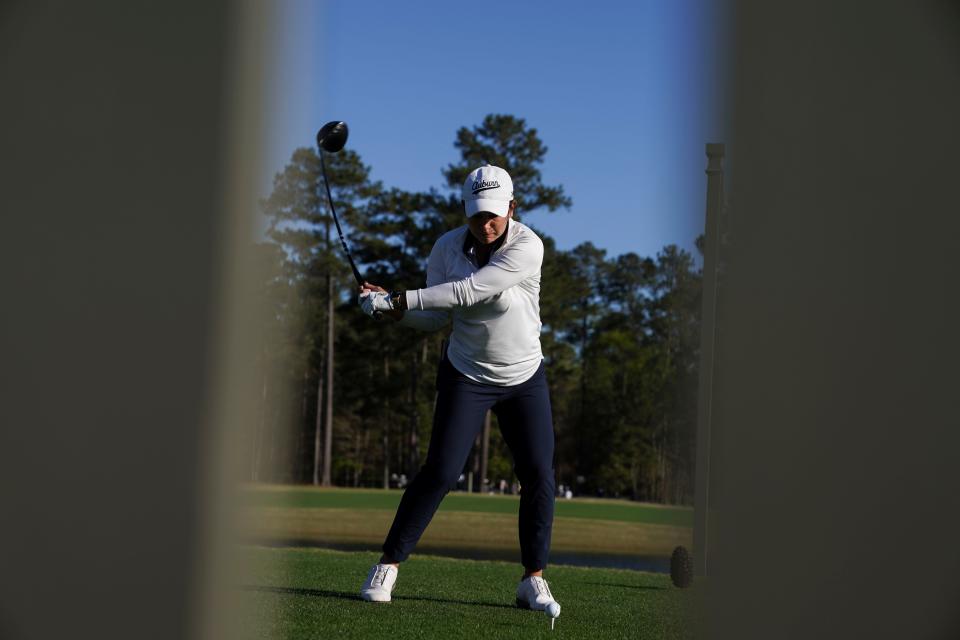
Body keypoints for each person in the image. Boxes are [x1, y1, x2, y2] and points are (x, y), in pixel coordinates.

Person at [356, 165, 559, 613]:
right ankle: (388, 565)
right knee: (442, 472)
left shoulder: (528, 245)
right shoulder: (447, 247)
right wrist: (390, 311)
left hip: (524, 376)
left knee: (539, 476)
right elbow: (434, 315)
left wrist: (399, 299)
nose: (485, 225)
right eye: (475, 216)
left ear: (511, 207)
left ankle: (533, 580)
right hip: (466, 373)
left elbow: (472, 291)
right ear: (465, 212)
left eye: (493, 215)